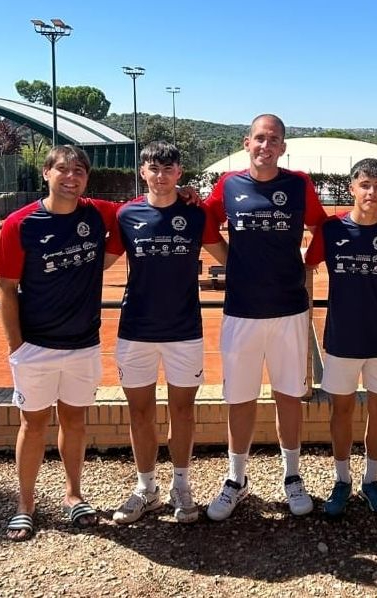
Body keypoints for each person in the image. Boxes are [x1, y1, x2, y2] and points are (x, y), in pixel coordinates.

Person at [0, 145, 122, 541]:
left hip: (83, 344)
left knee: (75, 421)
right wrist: (18, 347)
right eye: (63, 169)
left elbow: (142, 207)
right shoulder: (20, 223)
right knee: (33, 425)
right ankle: (26, 504)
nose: (71, 176)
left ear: (86, 178)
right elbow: (6, 288)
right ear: (46, 173)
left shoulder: (97, 212)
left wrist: (185, 195)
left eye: (79, 170)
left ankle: (73, 495)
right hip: (37, 347)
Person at [203, 114, 327, 520]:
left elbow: (320, 229)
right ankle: (236, 479)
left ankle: (292, 477)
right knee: (240, 397)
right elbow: (204, 226)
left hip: (289, 309)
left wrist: (305, 264)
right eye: (259, 138)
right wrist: (233, 261)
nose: (265, 145)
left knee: (288, 395)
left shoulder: (298, 184)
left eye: (273, 139)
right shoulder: (228, 184)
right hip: (241, 311)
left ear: (283, 147)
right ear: (246, 143)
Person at [111, 141, 224, 525]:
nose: (160, 176)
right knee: (139, 411)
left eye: (168, 169)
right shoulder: (126, 215)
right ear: (142, 172)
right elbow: (100, 259)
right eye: (153, 169)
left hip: (184, 331)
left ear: (180, 173)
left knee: (182, 410)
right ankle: (146, 488)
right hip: (135, 330)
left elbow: (229, 256)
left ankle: (181, 484)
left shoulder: (196, 213)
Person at [305, 158, 377, 518]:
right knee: (342, 410)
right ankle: (342, 480)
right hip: (342, 338)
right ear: (352, 188)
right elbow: (305, 268)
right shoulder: (331, 230)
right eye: (365, 185)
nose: (372, 192)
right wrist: (300, 316)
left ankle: (371, 480)